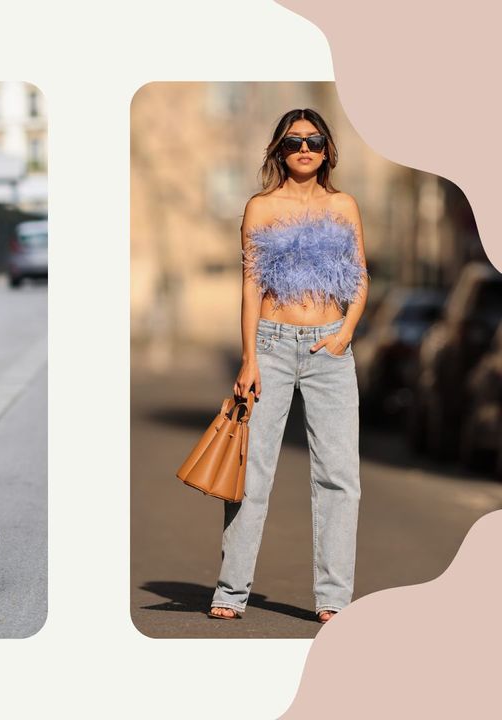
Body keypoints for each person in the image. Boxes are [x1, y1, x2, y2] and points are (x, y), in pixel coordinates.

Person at [210, 108, 368, 624]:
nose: (305, 148)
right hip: (273, 346)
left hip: (330, 348)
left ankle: (334, 600)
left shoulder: (344, 205)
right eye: (294, 141)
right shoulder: (260, 208)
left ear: (328, 150)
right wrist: (250, 357)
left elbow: (360, 276)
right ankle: (231, 592)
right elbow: (252, 286)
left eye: (315, 140)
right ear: (279, 149)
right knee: (252, 473)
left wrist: (344, 333)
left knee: (340, 477)